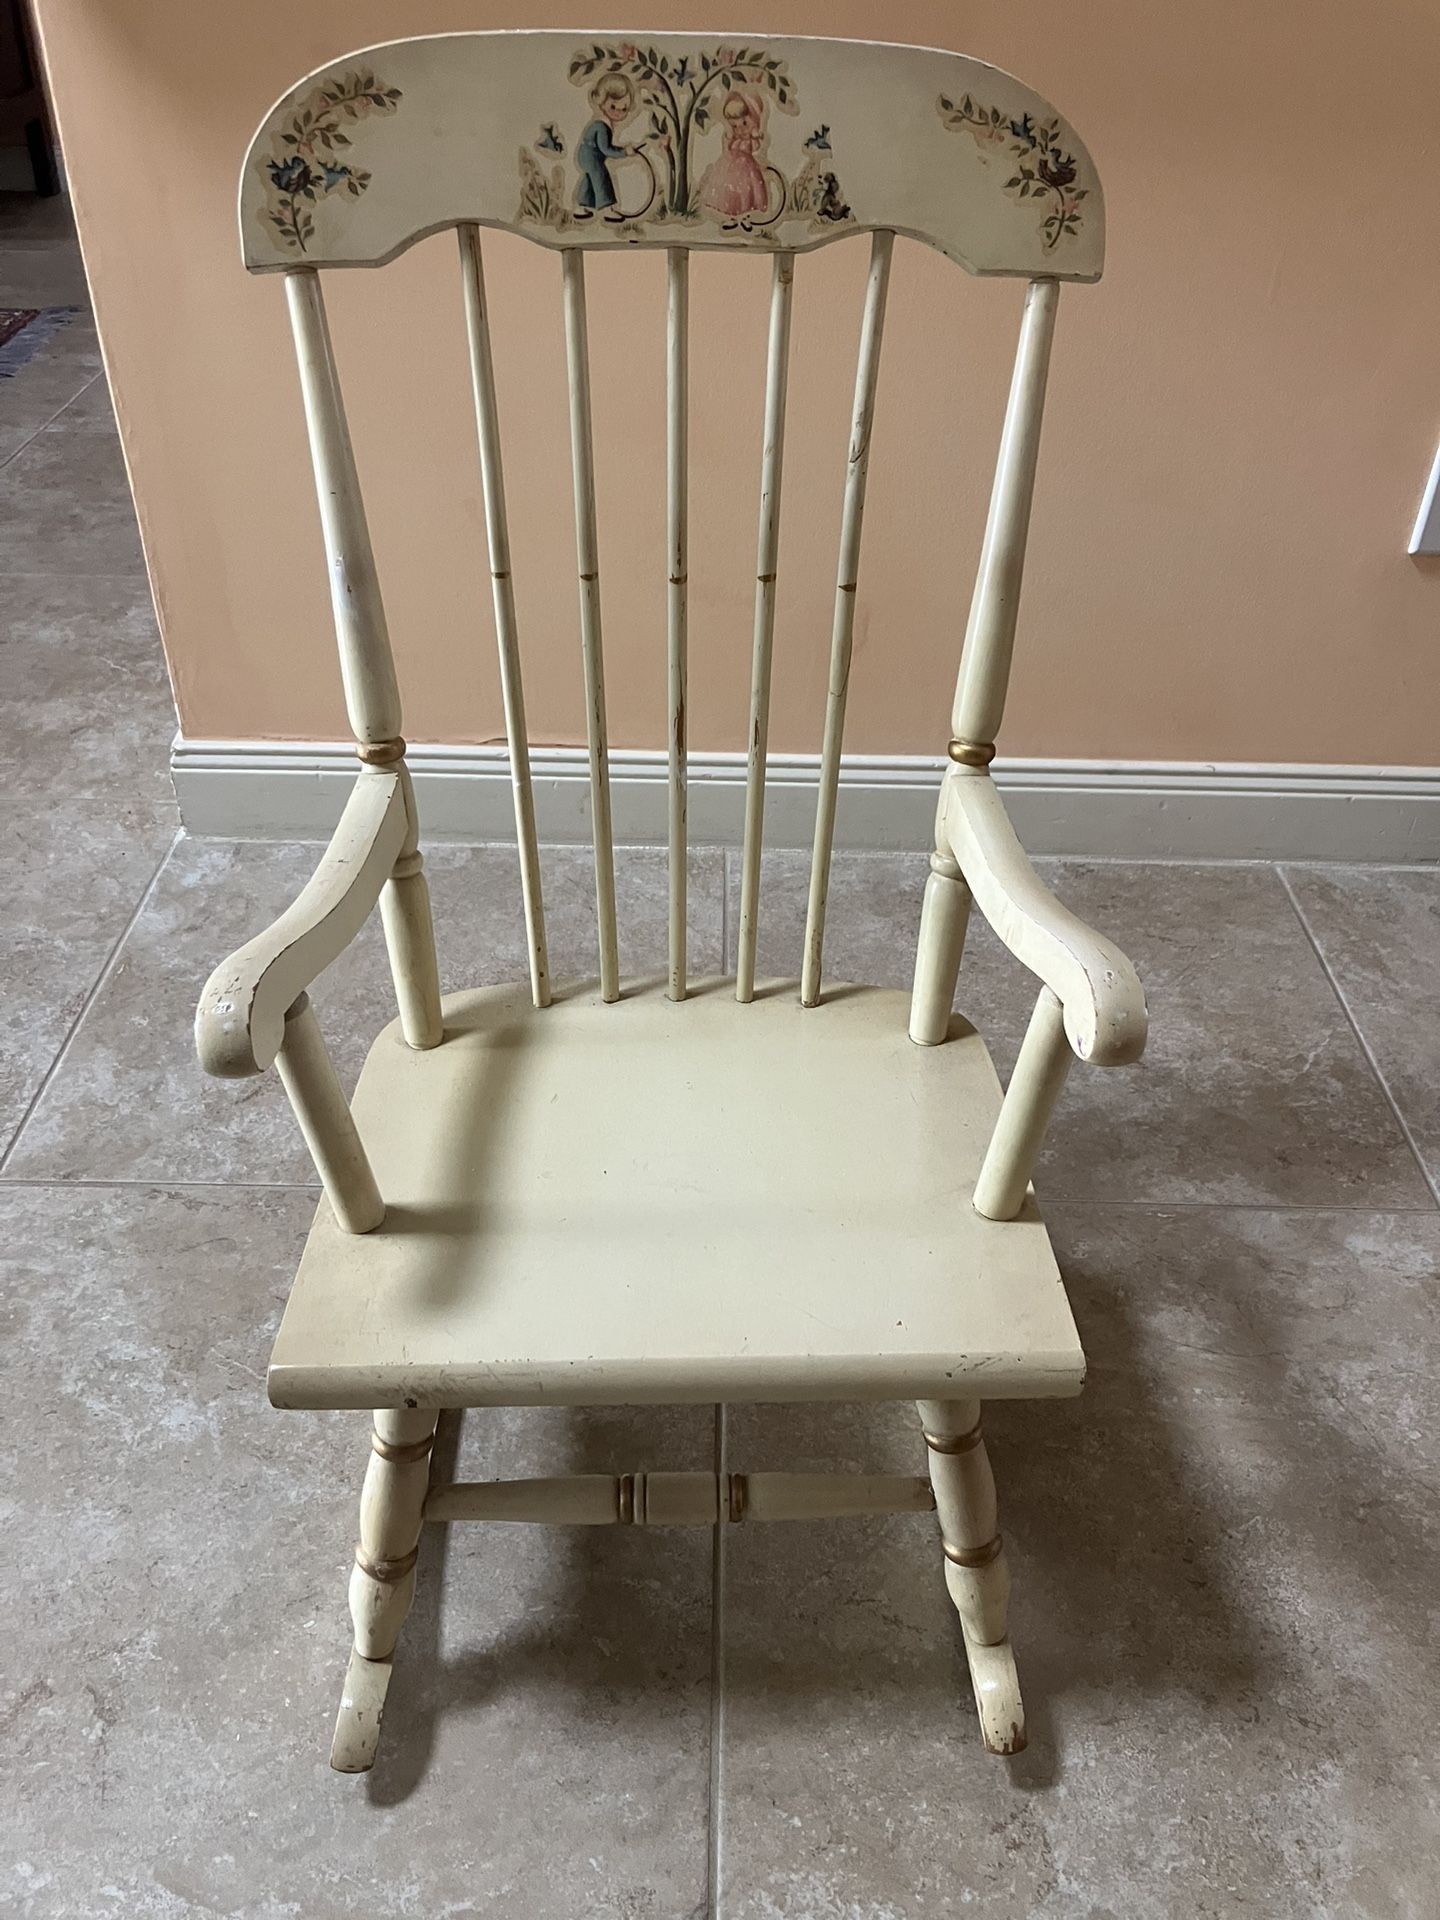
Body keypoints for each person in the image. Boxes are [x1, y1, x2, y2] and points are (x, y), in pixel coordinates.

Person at [698, 91, 769, 229]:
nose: (740, 129)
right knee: (729, 193)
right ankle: (731, 217)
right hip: (730, 168)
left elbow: (755, 147)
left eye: (744, 123)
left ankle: (745, 217)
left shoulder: (748, 139)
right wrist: (728, 141)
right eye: (734, 126)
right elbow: (728, 149)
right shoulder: (734, 139)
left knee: (745, 192)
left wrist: (755, 135)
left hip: (746, 169)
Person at [574, 74, 635, 222]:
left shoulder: (602, 124)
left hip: (586, 156)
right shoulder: (602, 126)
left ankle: (581, 206)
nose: (618, 112)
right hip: (591, 157)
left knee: (590, 178)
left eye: (624, 109)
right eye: (613, 107)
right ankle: (607, 209)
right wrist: (624, 152)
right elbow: (606, 149)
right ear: (601, 103)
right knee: (601, 177)